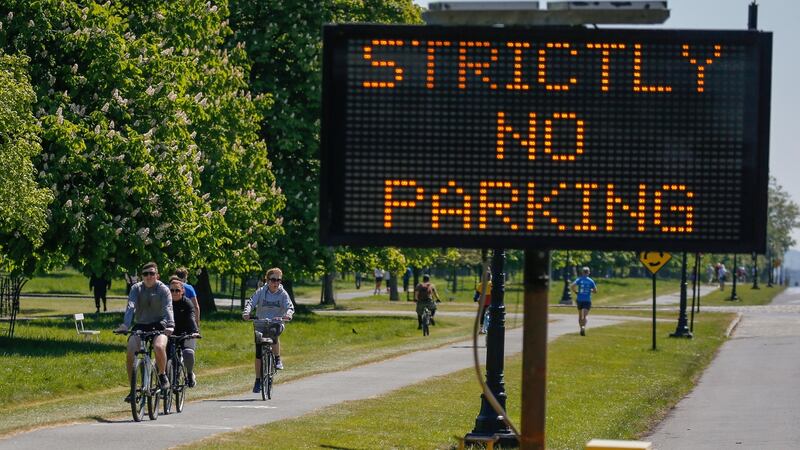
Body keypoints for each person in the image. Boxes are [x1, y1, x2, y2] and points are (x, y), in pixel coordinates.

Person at [115, 262, 174, 400]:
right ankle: (133, 389)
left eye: (152, 273)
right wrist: (125, 325)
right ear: (142, 276)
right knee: (130, 351)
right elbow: (130, 306)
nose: (149, 276)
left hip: (160, 325)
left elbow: (168, 308)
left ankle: (162, 374)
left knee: (159, 347)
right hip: (141, 325)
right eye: (145, 274)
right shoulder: (136, 288)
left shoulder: (163, 289)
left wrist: (170, 325)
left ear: (157, 275)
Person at [242, 267, 294, 393]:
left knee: (274, 332)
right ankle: (258, 380)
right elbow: (250, 303)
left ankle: (277, 359)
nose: (276, 283)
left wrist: (288, 314)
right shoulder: (261, 291)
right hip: (260, 323)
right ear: (267, 279)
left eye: (279, 280)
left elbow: (289, 307)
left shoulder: (283, 293)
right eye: (273, 279)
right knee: (259, 351)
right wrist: (247, 312)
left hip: (276, 322)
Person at [167, 276, 200, 387]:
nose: (174, 293)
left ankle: (190, 374)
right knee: (163, 354)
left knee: (188, 353)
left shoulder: (187, 303)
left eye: (177, 290)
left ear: (182, 291)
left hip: (187, 332)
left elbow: (191, 317)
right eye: (172, 290)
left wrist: (194, 331)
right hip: (170, 333)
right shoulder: (165, 303)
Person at [570, 267, 597, 336]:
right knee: (585, 316)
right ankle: (583, 327)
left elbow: (572, 286)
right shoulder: (591, 281)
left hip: (579, 299)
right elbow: (595, 291)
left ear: (582, 272)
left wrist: (576, 292)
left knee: (580, 315)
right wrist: (590, 290)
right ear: (588, 272)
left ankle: (581, 328)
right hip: (587, 300)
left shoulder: (579, 279)